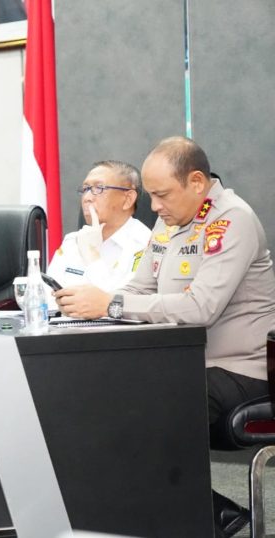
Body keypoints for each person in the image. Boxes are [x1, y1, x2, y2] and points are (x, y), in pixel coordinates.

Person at [54, 136, 275, 538]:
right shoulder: (168, 221)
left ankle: (204, 517)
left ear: (196, 182)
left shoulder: (232, 221)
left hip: (241, 371)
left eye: (161, 195)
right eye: (151, 197)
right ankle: (210, 514)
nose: (154, 206)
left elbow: (199, 308)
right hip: (187, 363)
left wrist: (110, 305)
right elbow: (139, 288)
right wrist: (94, 306)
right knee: (94, 397)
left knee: (140, 408)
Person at [47, 160, 151, 291]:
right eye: (86, 189)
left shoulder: (144, 245)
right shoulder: (73, 241)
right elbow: (46, 294)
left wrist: (92, 255)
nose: (87, 198)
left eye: (99, 188)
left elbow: (118, 301)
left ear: (128, 199)